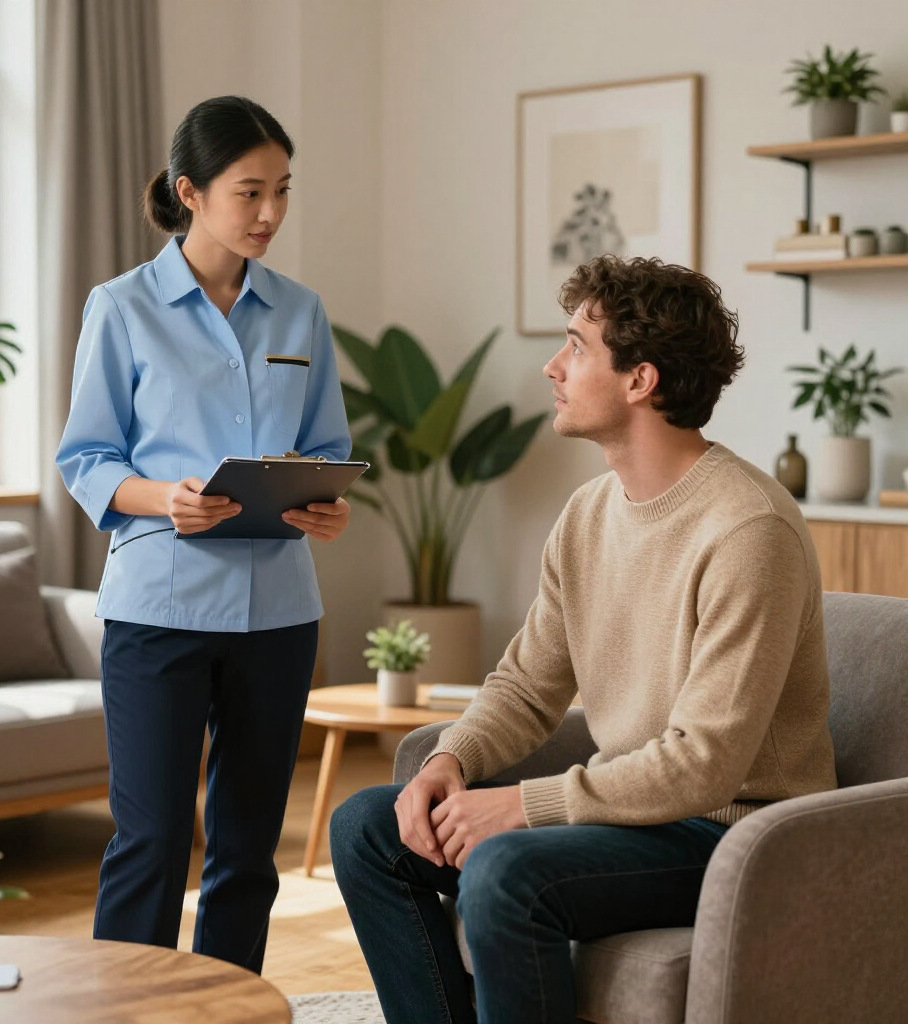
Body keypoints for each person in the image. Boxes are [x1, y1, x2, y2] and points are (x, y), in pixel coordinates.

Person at [330, 255, 837, 1023]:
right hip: (638, 815)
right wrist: (450, 758)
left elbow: (705, 766)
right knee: (365, 826)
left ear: (640, 380)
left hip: (734, 836)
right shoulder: (589, 513)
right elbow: (527, 686)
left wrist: (521, 808)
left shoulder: (748, 530)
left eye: (576, 346)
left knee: (503, 871)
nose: (552, 366)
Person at [56, 96, 352, 972]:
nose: (270, 214)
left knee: (247, 852)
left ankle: (227, 1005)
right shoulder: (121, 307)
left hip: (279, 612)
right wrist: (163, 498)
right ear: (191, 191)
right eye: (249, 192)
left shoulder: (302, 312)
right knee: (149, 844)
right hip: (160, 609)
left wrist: (325, 500)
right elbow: (87, 456)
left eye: (283, 192)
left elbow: (329, 446)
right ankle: (129, 1009)